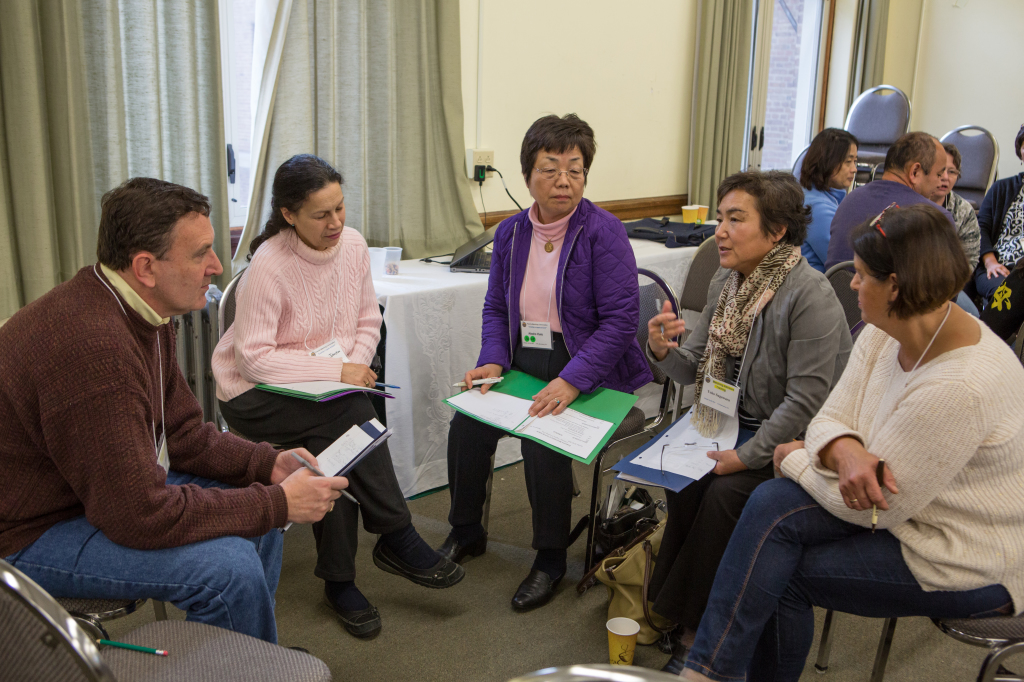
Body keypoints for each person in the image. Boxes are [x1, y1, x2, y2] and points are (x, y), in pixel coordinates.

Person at [679, 204, 1024, 682]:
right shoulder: (890, 330)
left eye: (862, 276)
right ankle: (711, 672)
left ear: (897, 286)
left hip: (963, 553)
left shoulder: (960, 386)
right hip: (906, 513)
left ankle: (707, 671)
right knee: (772, 518)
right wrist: (844, 448)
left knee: (779, 562)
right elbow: (831, 415)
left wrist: (797, 456)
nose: (853, 285)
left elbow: (877, 508)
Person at [0, 178, 348, 644]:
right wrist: (277, 503)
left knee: (259, 509)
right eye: (200, 252)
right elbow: (136, 513)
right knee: (230, 569)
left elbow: (181, 434)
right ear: (146, 267)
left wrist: (265, 464)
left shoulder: (140, 309)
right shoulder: (93, 348)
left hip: (92, 493)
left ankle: (251, 659)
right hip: (29, 532)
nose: (217, 265)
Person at [213, 155, 463, 640]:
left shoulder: (351, 246)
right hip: (254, 394)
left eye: (340, 208)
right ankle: (395, 534)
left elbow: (369, 320)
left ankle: (341, 582)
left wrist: (351, 369)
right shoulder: (270, 264)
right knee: (347, 416)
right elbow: (254, 360)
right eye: (320, 214)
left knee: (339, 443)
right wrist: (338, 372)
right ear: (288, 215)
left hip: (325, 394)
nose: (336, 223)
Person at [438, 114, 653, 611]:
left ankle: (550, 557)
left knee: (543, 437)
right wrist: (493, 361)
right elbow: (496, 308)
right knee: (466, 423)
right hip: (522, 360)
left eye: (575, 170)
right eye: (551, 168)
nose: (564, 180)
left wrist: (572, 381)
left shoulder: (604, 232)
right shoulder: (511, 232)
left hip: (590, 365)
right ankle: (466, 530)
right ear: (528, 174)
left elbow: (621, 323)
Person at [644, 170, 852, 673]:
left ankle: (696, 631)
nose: (720, 230)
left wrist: (746, 458)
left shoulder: (810, 295)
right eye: (720, 218)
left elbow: (805, 402)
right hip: (735, 422)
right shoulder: (728, 279)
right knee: (685, 484)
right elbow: (693, 364)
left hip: (800, 441)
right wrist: (658, 349)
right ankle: (670, 610)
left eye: (736, 219)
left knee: (724, 495)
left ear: (777, 231)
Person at [824, 131, 952, 270]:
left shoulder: (849, 201)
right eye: (939, 174)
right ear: (915, 172)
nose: (940, 182)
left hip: (837, 291)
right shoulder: (936, 218)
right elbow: (945, 288)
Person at [974, 124, 1024, 300]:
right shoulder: (1001, 188)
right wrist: (990, 262)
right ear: (1021, 151)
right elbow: (981, 227)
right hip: (998, 268)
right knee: (1010, 295)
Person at [798, 128, 859, 272]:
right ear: (826, 162)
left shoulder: (811, 195)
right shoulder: (818, 208)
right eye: (848, 161)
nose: (854, 169)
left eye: (855, 161)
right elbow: (844, 265)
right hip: (818, 290)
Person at [929, 142, 981, 272]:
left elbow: (970, 260)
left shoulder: (964, 210)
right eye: (940, 170)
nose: (945, 177)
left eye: (952, 172)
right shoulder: (908, 202)